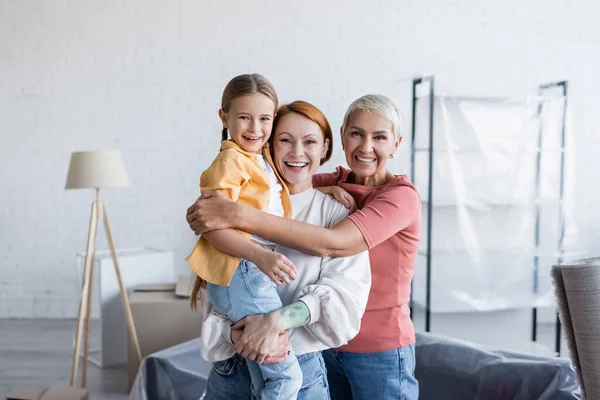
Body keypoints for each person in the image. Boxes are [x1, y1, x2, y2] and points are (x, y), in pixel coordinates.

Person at [187, 94, 421, 400]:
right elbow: (298, 182)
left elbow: (334, 244)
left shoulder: (387, 200)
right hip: (248, 365)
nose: (366, 147)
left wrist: (236, 214)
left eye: (379, 137)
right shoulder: (328, 186)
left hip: (373, 345)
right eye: (285, 140)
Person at [186, 73, 303, 400]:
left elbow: (288, 186)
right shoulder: (230, 161)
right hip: (244, 272)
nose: (255, 128)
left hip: (248, 275)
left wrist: (332, 186)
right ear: (224, 117)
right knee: (286, 378)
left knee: (261, 376)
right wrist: (261, 256)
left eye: (264, 118)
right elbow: (213, 229)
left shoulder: (262, 158)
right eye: (244, 118)